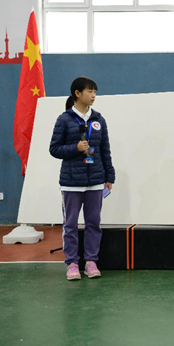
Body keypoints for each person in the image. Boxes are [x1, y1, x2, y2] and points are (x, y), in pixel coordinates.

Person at [49, 77, 115, 281]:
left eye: (95, 91)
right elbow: (54, 149)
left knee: (93, 223)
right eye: (89, 91)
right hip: (71, 183)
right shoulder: (64, 120)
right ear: (77, 94)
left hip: (96, 181)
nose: (93, 95)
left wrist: (109, 176)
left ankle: (91, 261)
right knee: (70, 225)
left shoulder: (99, 120)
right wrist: (75, 148)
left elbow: (105, 150)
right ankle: (72, 263)